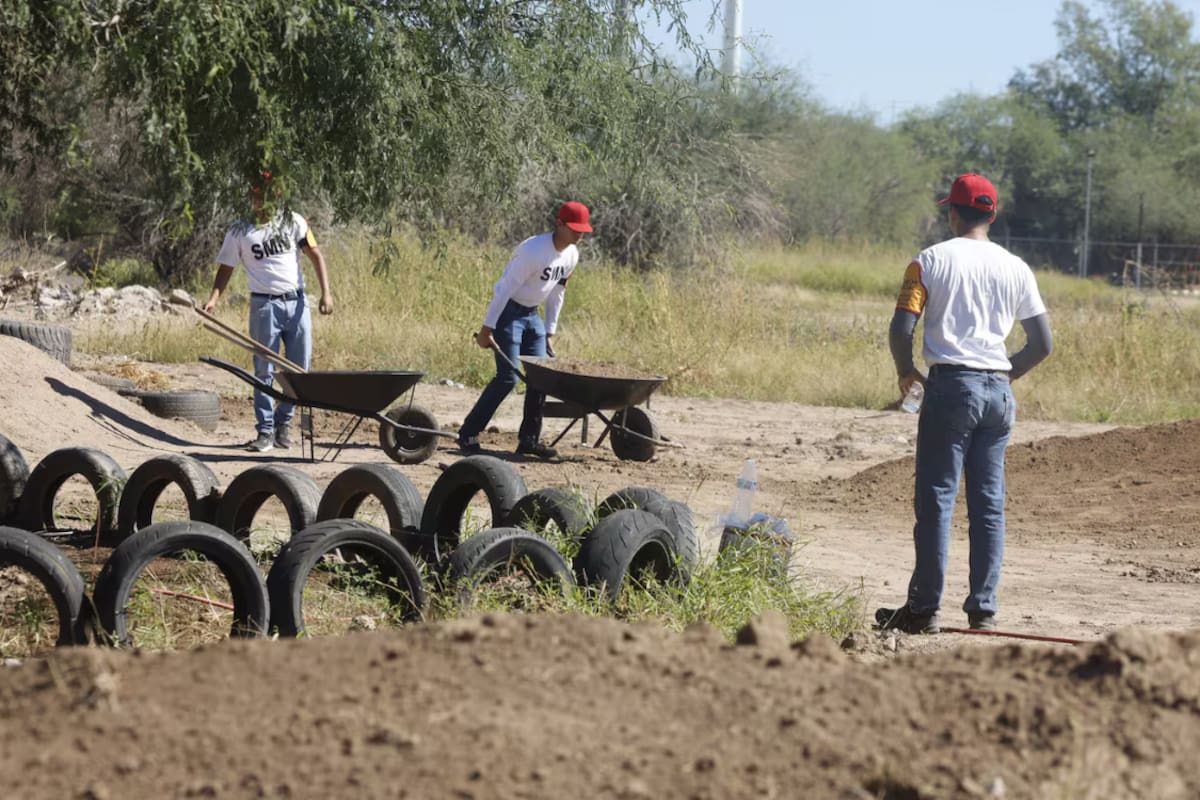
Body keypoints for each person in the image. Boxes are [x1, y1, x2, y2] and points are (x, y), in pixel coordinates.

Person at [877, 173, 1053, 634]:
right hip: (998, 394)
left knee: (937, 500)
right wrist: (1004, 375)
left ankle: (923, 610)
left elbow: (901, 328)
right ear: (992, 215)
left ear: (953, 213)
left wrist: (905, 371)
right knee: (988, 504)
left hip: (951, 389)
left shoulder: (929, 261)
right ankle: (983, 611)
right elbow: (1042, 343)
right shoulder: (1017, 267)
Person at [203, 173, 334, 452]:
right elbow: (226, 268)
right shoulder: (240, 230)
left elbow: (315, 255)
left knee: (299, 369)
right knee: (264, 369)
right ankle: (264, 431)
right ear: (252, 196)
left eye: (270, 194)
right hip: (264, 306)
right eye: (259, 194)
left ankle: (283, 423)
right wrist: (213, 299)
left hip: (297, 304)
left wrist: (326, 293)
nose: (264, 200)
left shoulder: (294, 221)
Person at [456, 201, 593, 459]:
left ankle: (529, 440)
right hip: (509, 313)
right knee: (508, 377)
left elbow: (558, 291)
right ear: (559, 224)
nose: (580, 234)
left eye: (583, 230)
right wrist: (487, 329)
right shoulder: (533, 251)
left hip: (532, 315)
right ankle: (468, 433)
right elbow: (504, 289)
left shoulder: (572, 254)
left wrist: (549, 331)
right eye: (575, 229)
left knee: (541, 378)